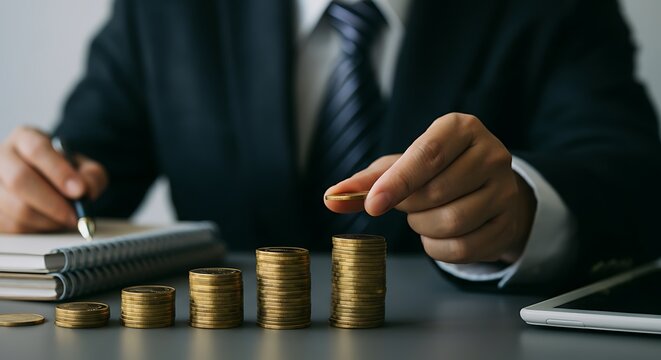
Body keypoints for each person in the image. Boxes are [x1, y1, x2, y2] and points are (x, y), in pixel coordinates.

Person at [0, 0, 659, 291]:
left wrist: (523, 207)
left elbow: (629, 175)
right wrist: (29, 193)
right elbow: (81, 167)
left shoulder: (555, 6)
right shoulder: (166, 9)